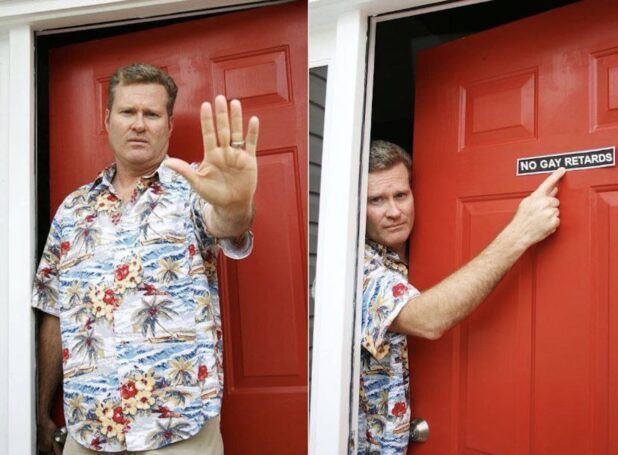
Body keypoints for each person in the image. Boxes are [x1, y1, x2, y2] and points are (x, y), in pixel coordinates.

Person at [32, 63, 258, 454]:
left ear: (168, 126)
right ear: (108, 120)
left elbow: (228, 225)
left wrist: (236, 204)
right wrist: (40, 411)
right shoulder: (72, 211)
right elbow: (54, 311)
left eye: (151, 114)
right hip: (89, 428)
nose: (138, 124)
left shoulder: (194, 190)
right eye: (127, 112)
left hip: (178, 427)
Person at [358, 140, 565, 454]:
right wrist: (519, 233)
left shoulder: (421, 249)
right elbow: (427, 320)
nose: (394, 211)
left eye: (401, 195)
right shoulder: (354, 266)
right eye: (377, 200)